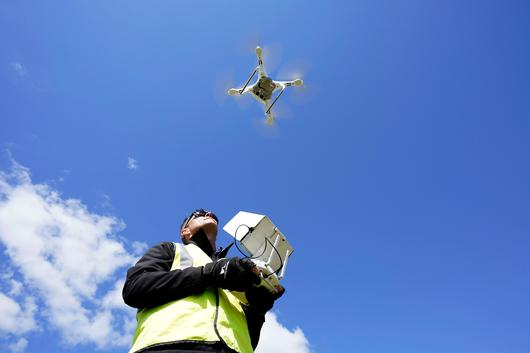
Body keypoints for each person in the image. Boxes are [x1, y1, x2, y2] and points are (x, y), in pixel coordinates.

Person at [123, 208, 285, 353]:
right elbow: (135, 287)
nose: (209, 214)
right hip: (171, 345)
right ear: (185, 231)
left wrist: (257, 312)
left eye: (211, 215)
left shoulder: (234, 274)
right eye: (199, 214)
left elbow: (248, 341)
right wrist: (212, 273)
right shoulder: (171, 249)